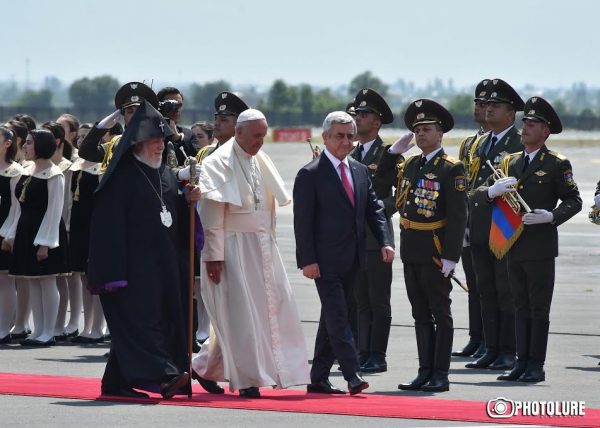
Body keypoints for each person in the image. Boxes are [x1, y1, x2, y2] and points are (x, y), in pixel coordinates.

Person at [190, 108, 309, 398]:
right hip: (232, 250)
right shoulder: (217, 163)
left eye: (263, 136)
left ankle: (204, 366)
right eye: (256, 136)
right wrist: (213, 257)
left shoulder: (260, 159)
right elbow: (212, 216)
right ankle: (247, 379)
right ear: (239, 132)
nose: (260, 142)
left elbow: (266, 206)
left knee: (267, 311)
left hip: (261, 248)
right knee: (242, 315)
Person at [87, 100, 199, 399]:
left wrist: (187, 201)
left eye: (162, 141)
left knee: (153, 324)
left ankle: (115, 382)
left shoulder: (163, 173)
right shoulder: (120, 179)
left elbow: (172, 216)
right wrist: (112, 274)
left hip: (163, 267)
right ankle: (165, 377)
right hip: (130, 272)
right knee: (141, 326)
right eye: (154, 141)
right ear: (136, 143)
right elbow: (107, 230)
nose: (160, 147)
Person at [473, 97, 582, 382]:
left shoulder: (556, 163)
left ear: (545, 131)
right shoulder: (511, 162)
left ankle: (536, 364)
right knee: (519, 305)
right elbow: (479, 195)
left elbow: (574, 200)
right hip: (513, 244)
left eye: (532, 124)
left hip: (541, 246)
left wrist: (552, 216)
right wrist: (491, 192)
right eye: (525, 123)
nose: (525, 128)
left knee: (538, 308)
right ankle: (520, 362)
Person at [294, 111, 395, 395]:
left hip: (354, 258)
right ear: (325, 137)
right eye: (339, 136)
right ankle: (352, 374)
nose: (346, 142)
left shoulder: (360, 171)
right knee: (340, 317)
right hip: (323, 262)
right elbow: (303, 223)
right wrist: (308, 260)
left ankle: (318, 377)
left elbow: (374, 210)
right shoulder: (310, 174)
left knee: (333, 317)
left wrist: (385, 241)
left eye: (350, 136)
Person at [395, 99, 467, 392]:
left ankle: (440, 373)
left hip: (436, 250)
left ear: (440, 134)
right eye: (417, 130)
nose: (421, 135)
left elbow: (458, 215)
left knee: (440, 312)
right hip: (411, 247)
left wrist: (451, 256)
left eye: (427, 129)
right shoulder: (411, 164)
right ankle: (424, 370)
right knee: (419, 313)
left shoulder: (451, 168)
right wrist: (391, 155)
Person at [465, 79, 524, 371]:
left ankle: (508, 350)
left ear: (511, 114)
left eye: (495, 106)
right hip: (479, 227)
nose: (487, 110)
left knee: (505, 291)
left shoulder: (518, 143)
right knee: (484, 290)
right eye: (485, 105)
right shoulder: (479, 143)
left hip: (505, 229)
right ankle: (491, 347)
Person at [348, 88, 402, 373]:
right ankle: (363, 350)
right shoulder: (350, 153)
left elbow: (402, 195)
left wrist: (376, 208)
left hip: (377, 236)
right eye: (357, 113)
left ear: (377, 122)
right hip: (353, 239)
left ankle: (377, 354)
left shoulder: (389, 153)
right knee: (360, 300)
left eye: (364, 114)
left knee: (378, 300)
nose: (358, 118)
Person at [6, 129, 70, 347]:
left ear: (41, 146)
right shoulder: (28, 170)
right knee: (32, 281)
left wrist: (45, 243)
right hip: (26, 231)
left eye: (30, 143)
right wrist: (11, 234)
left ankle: (49, 331)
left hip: (45, 233)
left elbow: (54, 211)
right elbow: (19, 209)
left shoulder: (54, 174)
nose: (25, 147)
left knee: (47, 281)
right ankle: (38, 329)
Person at [452, 79, 492, 359]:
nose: (479, 108)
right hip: (469, 221)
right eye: (478, 103)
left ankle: (492, 340)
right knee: (474, 285)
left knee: (491, 287)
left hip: (491, 224)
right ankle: (476, 337)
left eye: (486, 104)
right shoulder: (469, 143)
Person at [78, 81, 159, 170]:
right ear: (124, 116)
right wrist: (101, 127)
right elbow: (85, 152)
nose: (135, 116)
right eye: (130, 111)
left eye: (140, 110)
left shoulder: (162, 142)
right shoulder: (116, 144)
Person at [0, 126, 26, 343]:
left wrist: (9, 234)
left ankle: (4, 327)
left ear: (7, 143)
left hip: (4, 230)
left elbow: (16, 208)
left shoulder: (15, 171)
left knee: (6, 280)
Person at [195, 91, 249, 162]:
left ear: (237, 126)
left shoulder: (245, 157)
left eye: (223, 120)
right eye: (215, 119)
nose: (216, 123)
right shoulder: (205, 153)